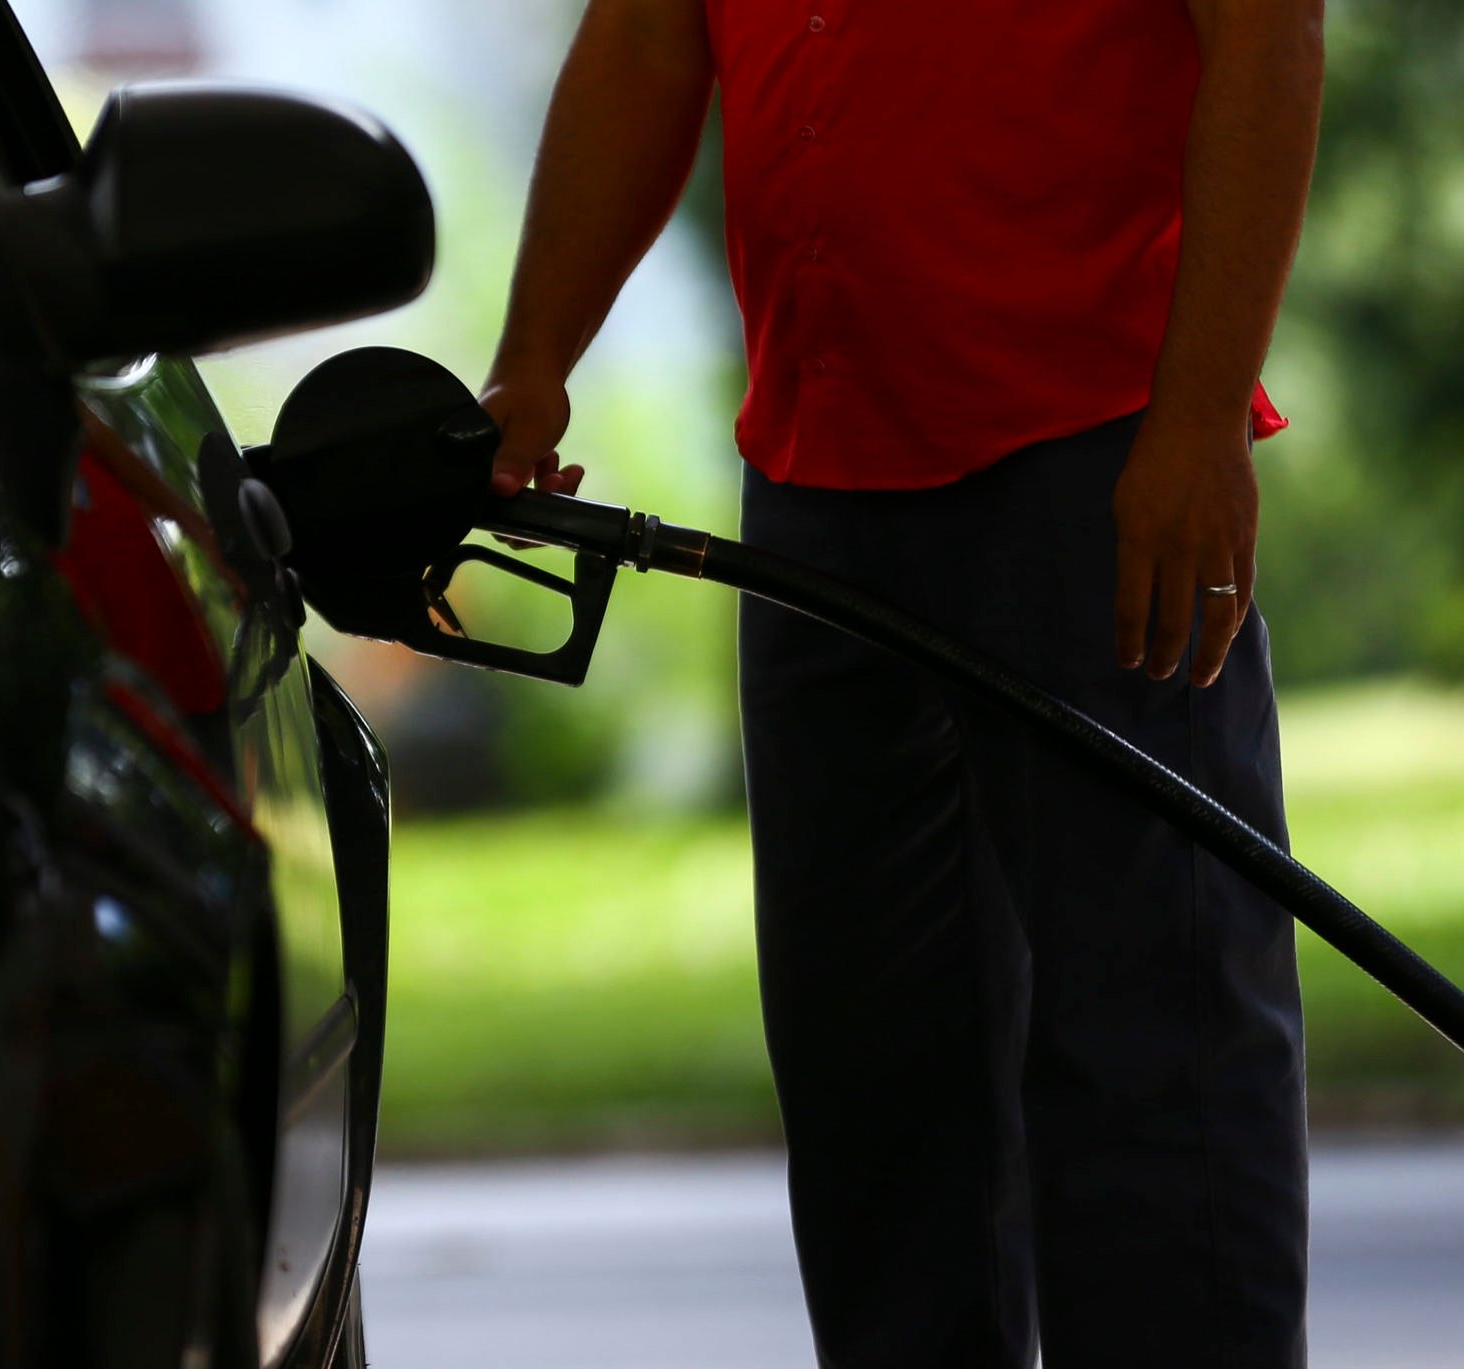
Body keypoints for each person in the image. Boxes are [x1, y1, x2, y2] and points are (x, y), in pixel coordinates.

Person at [481, 3, 1321, 1366]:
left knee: (1156, 1073)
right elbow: (646, 36)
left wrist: (1200, 417)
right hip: (818, 476)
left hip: (1092, 457)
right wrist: (530, 365)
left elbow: (1264, 32)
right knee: (871, 1091)